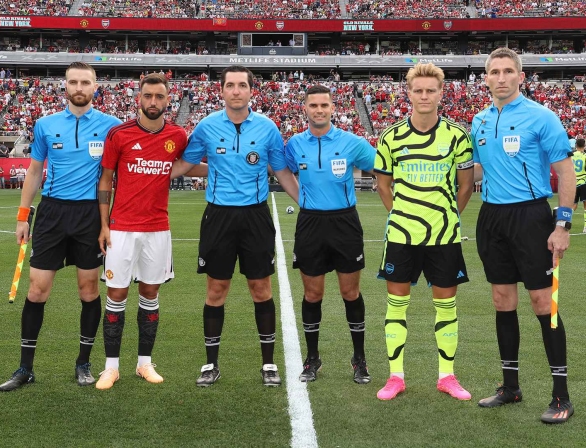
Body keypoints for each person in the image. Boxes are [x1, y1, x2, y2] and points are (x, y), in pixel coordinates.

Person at [0, 62, 122, 392]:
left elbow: (117, 176)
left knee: (89, 290)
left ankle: (83, 363)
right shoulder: (45, 125)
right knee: (37, 289)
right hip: (52, 213)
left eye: (85, 82)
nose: (79, 87)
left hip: (89, 215)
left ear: (96, 87)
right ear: (64, 86)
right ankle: (25, 368)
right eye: (73, 82)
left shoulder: (112, 127)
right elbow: (35, 171)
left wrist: (110, 223)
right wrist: (23, 216)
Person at [174, 65, 299, 387]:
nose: (236, 91)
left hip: (255, 217)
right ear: (222, 90)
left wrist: (309, 205)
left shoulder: (268, 128)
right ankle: (210, 363)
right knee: (216, 290)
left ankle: (269, 364)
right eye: (230, 85)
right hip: (218, 217)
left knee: (261, 290)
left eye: (242, 85)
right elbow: (186, 166)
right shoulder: (206, 127)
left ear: (250, 91)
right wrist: (146, 173)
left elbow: (282, 172)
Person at [471, 48, 576, 423]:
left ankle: (561, 396)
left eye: (507, 71)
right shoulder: (478, 120)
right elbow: (478, 171)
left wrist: (561, 226)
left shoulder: (541, 117)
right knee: (502, 300)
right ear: (485, 78)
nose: (500, 78)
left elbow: (566, 174)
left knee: (542, 304)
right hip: (491, 218)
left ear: (520, 76)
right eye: (493, 72)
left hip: (531, 216)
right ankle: (510, 387)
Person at [374, 63, 474, 402]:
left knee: (446, 307)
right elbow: (383, 185)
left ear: (441, 93)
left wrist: (445, 216)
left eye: (431, 90)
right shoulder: (390, 136)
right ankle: (395, 377)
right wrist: (404, 215)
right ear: (409, 93)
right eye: (418, 90)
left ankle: (447, 376)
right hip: (402, 235)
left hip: (444, 237)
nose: (424, 95)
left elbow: (466, 186)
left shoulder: (457, 136)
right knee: (396, 305)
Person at [95, 74, 202, 390]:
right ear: (138, 98)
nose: (153, 101)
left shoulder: (178, 135)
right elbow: (105, 181)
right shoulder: (119, 135)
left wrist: (235, 168)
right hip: (121, 230)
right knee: (116, 294)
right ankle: (110, 368)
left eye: (159, 96)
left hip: (157, 229)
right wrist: (104, 224)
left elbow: (187, 166)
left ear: (168, 100)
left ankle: (144, 364)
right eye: (148, 96)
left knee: (150, 294)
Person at [283, 85, 376, 384]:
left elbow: (383, 167)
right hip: (310, 224)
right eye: (313, 105)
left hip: (344, 223)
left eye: (324, 105)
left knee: (350, 293)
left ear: (333, 108)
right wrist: (303, 201)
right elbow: (281, 171)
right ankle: (312, 359)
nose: (319, 110)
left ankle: (359, 359)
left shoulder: (352, 142)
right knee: (313, 294)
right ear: (305, 109)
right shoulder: (294, 145)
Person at [571, 138, 586, 232]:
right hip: (583, 182)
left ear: (576, 145)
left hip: (573, 183)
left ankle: (565, 223)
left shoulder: (571, 155)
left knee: (573, 205)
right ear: (584, 146)